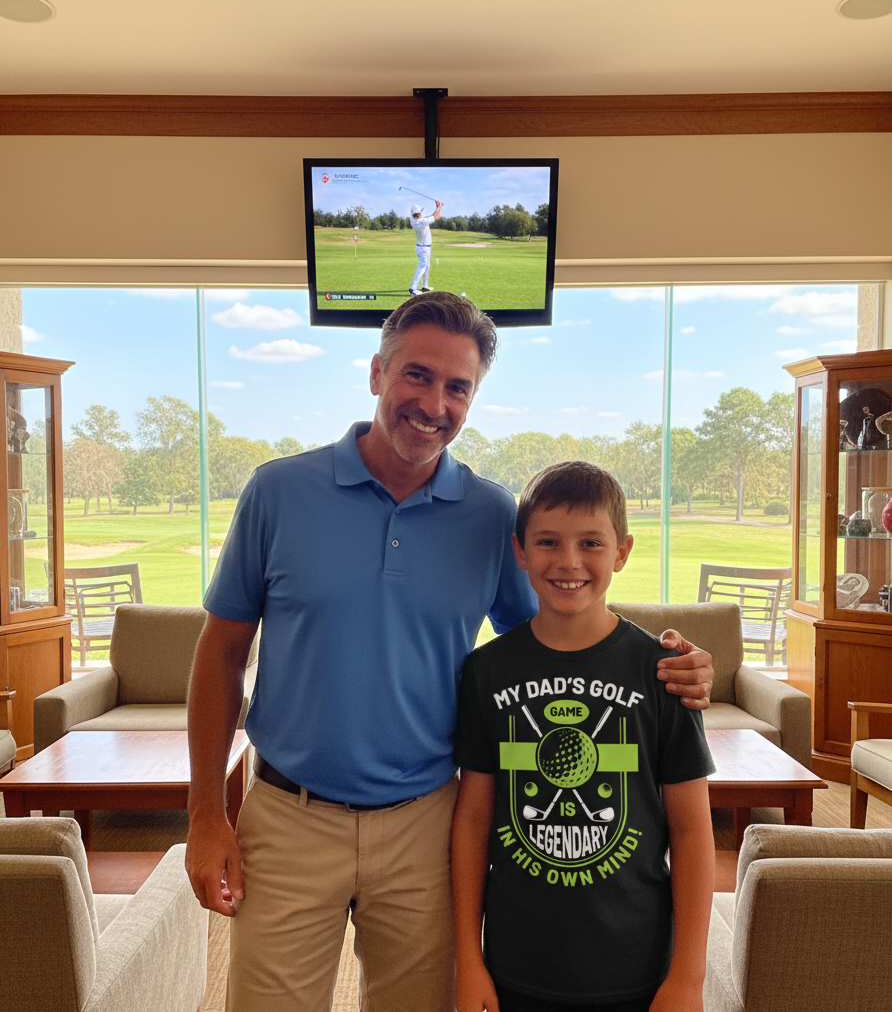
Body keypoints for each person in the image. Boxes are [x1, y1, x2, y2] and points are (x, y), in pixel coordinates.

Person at [185, 292, 714, 1012]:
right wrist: (204, 814)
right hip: (288, 816)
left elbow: (562, 632)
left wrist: (662, 659)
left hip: (428, 825)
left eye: (457, 386)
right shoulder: (278, 492)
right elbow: (219, 653)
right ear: (377, 373)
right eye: (417, 375)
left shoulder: (491, 515)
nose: (434, 403)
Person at [452, 460, 716, 1012]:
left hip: (637, 965)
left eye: (591, 543)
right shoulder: (487, 671)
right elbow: (473, 822)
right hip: (516, 962)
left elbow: (692, 831)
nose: (569, 561)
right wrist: (468, 961)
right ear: (520, 551)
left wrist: (688, 978)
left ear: (622, 551)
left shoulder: (664, 672)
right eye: (547, 541)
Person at [409, 199, 442, 295]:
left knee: (427, 266)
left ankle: (424, 285)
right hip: (423, 248)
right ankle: (412, 288)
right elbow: (436, 216)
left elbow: (432, 216)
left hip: (423, 247)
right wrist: (439, 206)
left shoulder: (413, 219)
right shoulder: (422, 222)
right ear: (418, 213)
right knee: (422, 266)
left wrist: (437, 208)